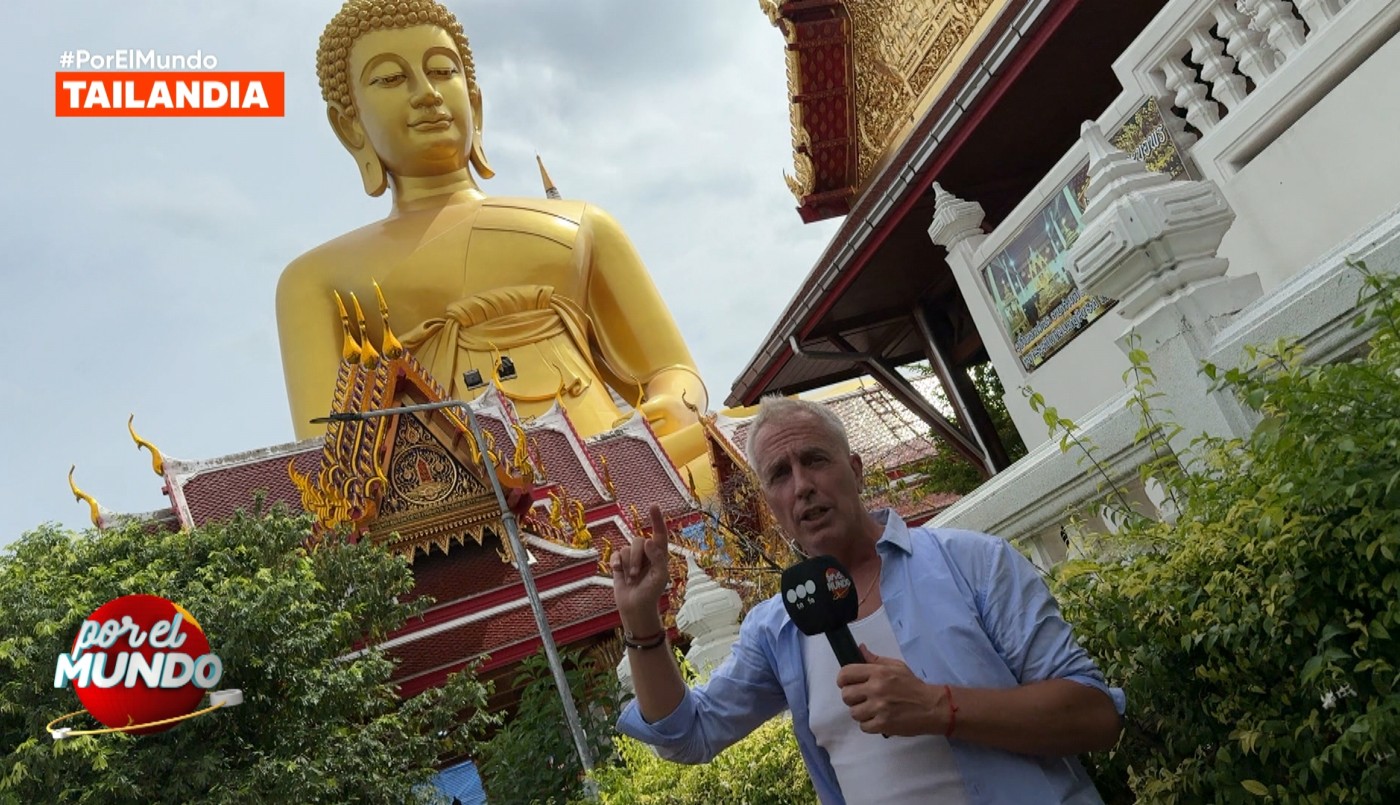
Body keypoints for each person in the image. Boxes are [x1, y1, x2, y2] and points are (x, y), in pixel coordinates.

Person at [612, 396, 1124, 804]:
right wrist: (641, 621)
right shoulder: (777, 629)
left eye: (815, 460)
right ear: (771, 504)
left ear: (855, 471)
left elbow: (1096, 716)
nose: (803, 486)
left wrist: (938, 707)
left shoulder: (974, 564)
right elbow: (688, 734)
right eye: (780, 475)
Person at [277, 0, 710, 480]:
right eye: (390, 79)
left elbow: (671, 369)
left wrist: (674, 402)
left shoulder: (583, 224)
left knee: (763, 444)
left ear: (475, 102)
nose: (426, 93)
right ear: (350, 124)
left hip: (614, 460)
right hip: (455, 497)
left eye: (442, 71)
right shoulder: (316, 280)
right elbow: (333, 457)